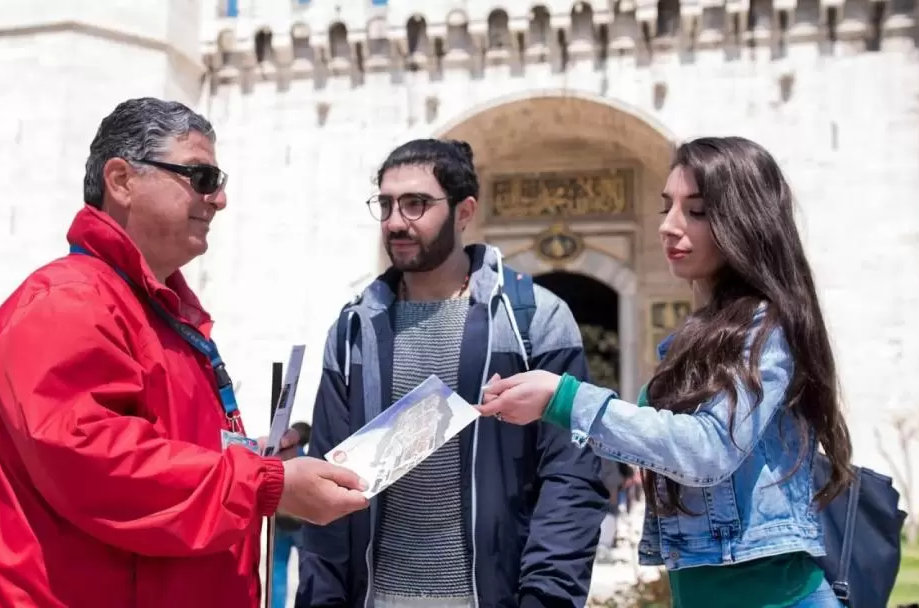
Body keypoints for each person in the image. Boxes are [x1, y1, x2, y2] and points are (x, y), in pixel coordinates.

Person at [0, 97, 368, 608]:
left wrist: (255, 457)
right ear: (121, 181)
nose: (219, 199)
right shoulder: (67, 302)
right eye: (202, 177)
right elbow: (99, 466)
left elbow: (170, 442)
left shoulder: (161, 311)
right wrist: (265, 485)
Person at [480, 136, 854, 608]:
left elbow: (707, 449)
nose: (668, 227)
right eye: (667, 207)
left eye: (696, 211)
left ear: (744, 220)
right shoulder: (693, 340)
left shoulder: (767, 327)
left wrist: (566, 398)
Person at [297, 139, 609, 608]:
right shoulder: (352, 332)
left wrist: (546, 599)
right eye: (386, 205)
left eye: (416, 204)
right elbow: (327, 485)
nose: (396, 221)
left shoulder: (533, 321)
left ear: (464, 212)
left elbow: (570, 476)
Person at [270, 421, 311, 608]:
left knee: (278, 570)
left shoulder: (282, 456)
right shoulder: (307, 461)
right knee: (306, 572)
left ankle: (277, 605)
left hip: (280, 522)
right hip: (303, 525)